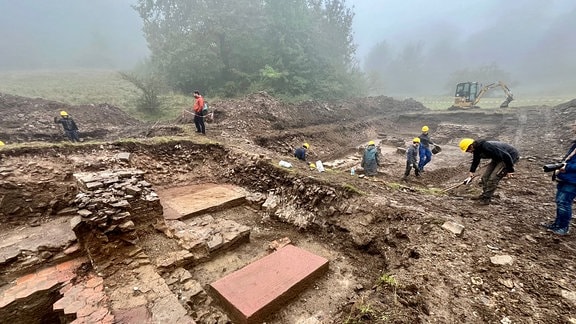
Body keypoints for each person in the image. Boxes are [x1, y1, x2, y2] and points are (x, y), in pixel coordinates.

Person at [459, 138, 519, 205]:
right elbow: (476, 160)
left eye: (468, 150)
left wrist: (510, 170)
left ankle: (486, 199)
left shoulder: (487, 146)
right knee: (485, 177)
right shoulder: (476, 149)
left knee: (493, 179)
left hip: (509, 157)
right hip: (497, 158)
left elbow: (506, 156)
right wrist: (472, 171)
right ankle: (485, 195)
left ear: (471, 145)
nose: (469, 152)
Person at [541, 121, 576, 235]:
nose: (573, 128)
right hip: (567, 178)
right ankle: (557, 224)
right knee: (560, 202)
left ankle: (563, 228)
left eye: (575, 126)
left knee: (564, 202)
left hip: (572, 180)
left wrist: (567, 167)